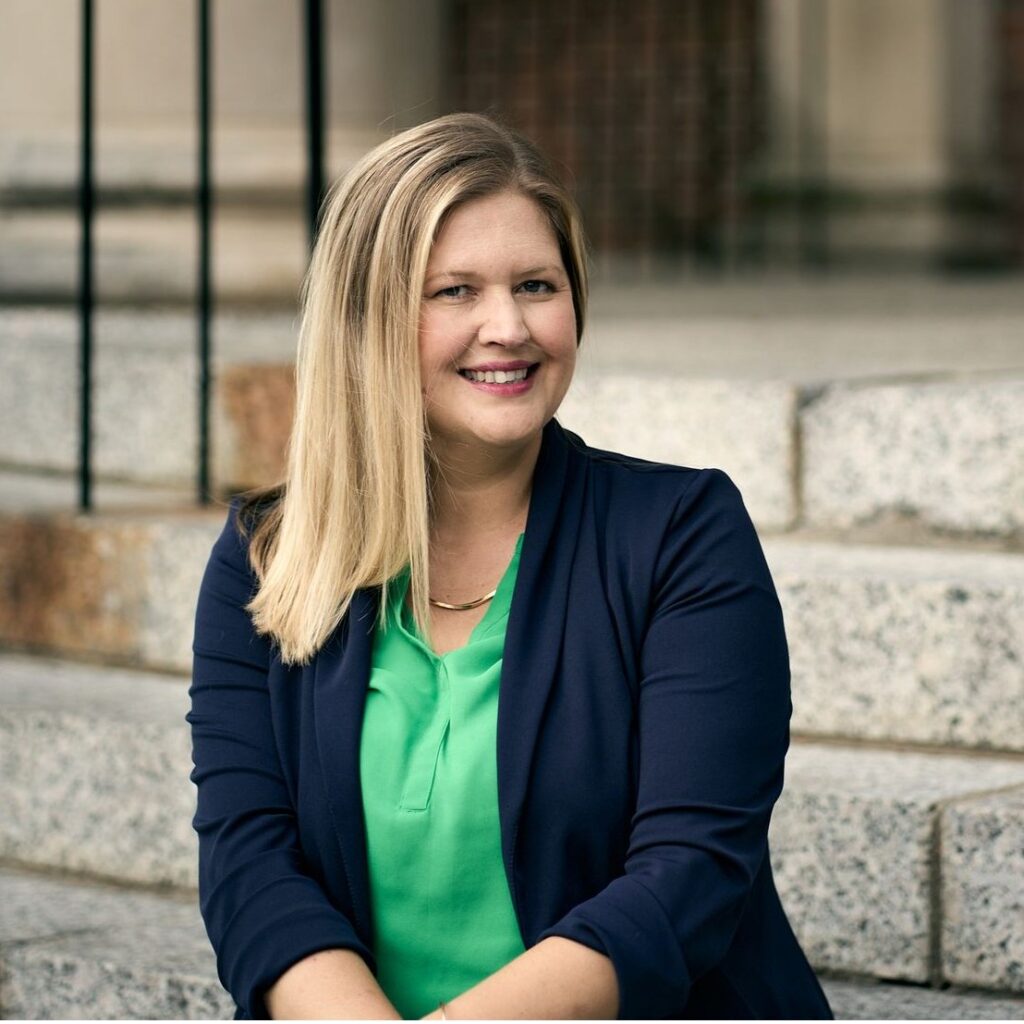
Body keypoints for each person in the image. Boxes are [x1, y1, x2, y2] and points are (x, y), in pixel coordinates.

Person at [186, 111, 833, 1020]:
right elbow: (250, 868)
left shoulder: (682, 535)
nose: (509, 326)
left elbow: (689, 877)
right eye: (454, 291)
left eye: (537, 284)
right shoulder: (267, 557)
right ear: (366, 320)